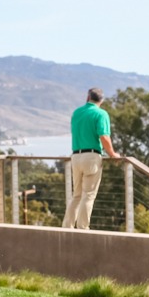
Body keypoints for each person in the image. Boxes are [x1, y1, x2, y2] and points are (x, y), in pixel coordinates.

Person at [62, 87, 117, 229]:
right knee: (88, 195)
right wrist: (112, 154)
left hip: (76, 156)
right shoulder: (101, 114)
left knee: (77, 195)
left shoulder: (77, 113)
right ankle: (82, 229)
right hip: (91, 157)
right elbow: (104, 136)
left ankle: (67, 227)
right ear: (102, 100)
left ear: (88, 97)